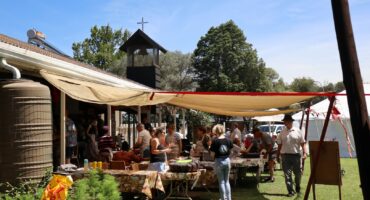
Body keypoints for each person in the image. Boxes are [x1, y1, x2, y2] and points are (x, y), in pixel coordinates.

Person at [277, 114, 307, 197]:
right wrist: (277, 155)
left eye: (286, 121)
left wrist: (304, 153)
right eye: (284, 121)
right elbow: (279, 144)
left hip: (296, 155)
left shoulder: (298, 131)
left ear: (291, 122)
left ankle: (297, 186)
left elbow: (303, 143)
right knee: (287, 175)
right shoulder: (282, 132)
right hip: (285, 156)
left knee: (298, 173)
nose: (284, 123)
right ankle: (290, 191)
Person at [210, 124, 233, 200]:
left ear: (215, 131)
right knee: (227, 181)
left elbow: (212, 155)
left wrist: (213, 158)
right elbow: (231, 152)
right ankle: (228, 198)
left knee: (221, 182)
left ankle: (223, 198)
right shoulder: (228, 140)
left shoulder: (215, 141)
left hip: (219, 161)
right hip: (227, 160)